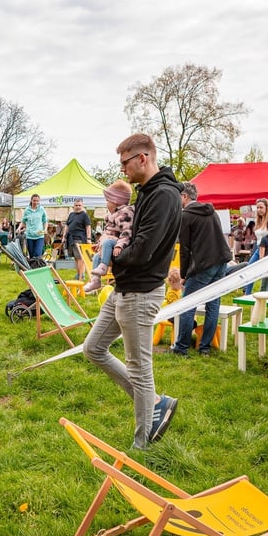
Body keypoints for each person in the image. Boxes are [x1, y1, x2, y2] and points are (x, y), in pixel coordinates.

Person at [82, 133, 182, 450]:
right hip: (123, 289)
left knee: (140, 369)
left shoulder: (164, 195)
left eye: (124, 163)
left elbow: (142, 251)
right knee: (93, 348)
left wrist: (111, 259)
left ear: (142, 158)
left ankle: (142, 445)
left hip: (140, 292)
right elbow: (130, 239)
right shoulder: (146, 193)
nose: (122, 170)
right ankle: (154, 402)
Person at [170, 182, 232, 357]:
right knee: (213, 305)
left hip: (203, 266)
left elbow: (185, 249)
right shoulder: (212, 212)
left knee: (187, 305)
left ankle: (181, 347)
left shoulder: (186, 216)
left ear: (184, 196)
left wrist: (183, 275)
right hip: (221, 262)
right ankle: (204, 347)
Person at [83, 180, 134, 293]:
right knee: (96, 257)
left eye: (107, 201)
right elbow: (107, 232)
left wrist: (120, 245)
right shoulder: (111, 214)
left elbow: (127, 231)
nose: (106, 204)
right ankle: (95, 280)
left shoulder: (125, 214)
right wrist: (99, 244)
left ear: (116, 201)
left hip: (119, 243)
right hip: (110, 241)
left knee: (107, 243)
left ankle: (103, 266)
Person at [244, 198, 268, 295]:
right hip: (259, 248)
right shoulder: (259, 219)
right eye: (257, 207)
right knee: (250, 269)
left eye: (261, 207)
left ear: (267, 208)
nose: (259, 210)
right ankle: (247, 293)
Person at [62, 198, 92, 281]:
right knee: (75, 258)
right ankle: (79, 274)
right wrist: (64, 237)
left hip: (80, 239)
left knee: (80, 259)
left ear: (82, 206)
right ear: (73, 206)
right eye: (76, 205)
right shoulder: (71, 214)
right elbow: (67, 226)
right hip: (70, 239)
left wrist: (88, 238)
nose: (78, 207)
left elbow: (88, 227)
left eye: (79, 205)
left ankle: (81, 277)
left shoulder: (84, 215)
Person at [17, 194, 48, 258]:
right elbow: (23, 221)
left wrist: (45, 229)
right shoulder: (27, 210)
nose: (36, 202)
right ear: (31, 200)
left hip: (39, 235)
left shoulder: (41, 209)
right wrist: (19, 228)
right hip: (29, 236)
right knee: (31, 255)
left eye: (37, 201)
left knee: (37, 253)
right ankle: (33, 267)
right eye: (34, 200)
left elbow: (45, 221)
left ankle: (38, 265)